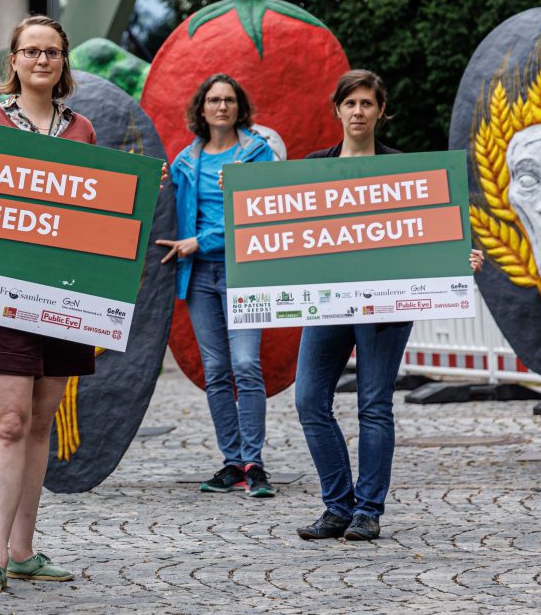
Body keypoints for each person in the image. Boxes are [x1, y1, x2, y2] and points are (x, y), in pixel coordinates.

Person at [294, 70, 484, 542]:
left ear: (381, 111)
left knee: (374, 404)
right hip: (330, 302)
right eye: (350, 103)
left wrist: (460, 256)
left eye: (366, 103)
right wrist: (236, 191)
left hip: (387, 305)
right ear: (336, 109)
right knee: (309, 400)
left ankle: (368, 511)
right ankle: (337, 506)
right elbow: (282, 231)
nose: (358, 112)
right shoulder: (313, 167)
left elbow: (433, 232)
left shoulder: (406, 170)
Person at [0, 15, 94, 596]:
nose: (42, 60)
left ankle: (22, 550)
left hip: (64, 293)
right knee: (10, 423)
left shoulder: (83, 129)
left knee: (40, 423)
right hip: (1, 295)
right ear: (12, 61)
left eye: (53, 52)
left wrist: (134, 192)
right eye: (31, 51)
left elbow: (93, 213)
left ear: (64, 62)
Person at [156, 74, 278, 498]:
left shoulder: (258, 154)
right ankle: (232, 462)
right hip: (199, 276)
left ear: (238, 107)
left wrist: (201, 241)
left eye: (228, 100)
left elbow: (263, 215)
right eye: (213, 100)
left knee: (246, 364)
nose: (221, 107)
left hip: (243, 272)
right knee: (216, 371)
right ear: (202, 109)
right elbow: (170, 207)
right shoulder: (187, 160)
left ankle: (255, 463)